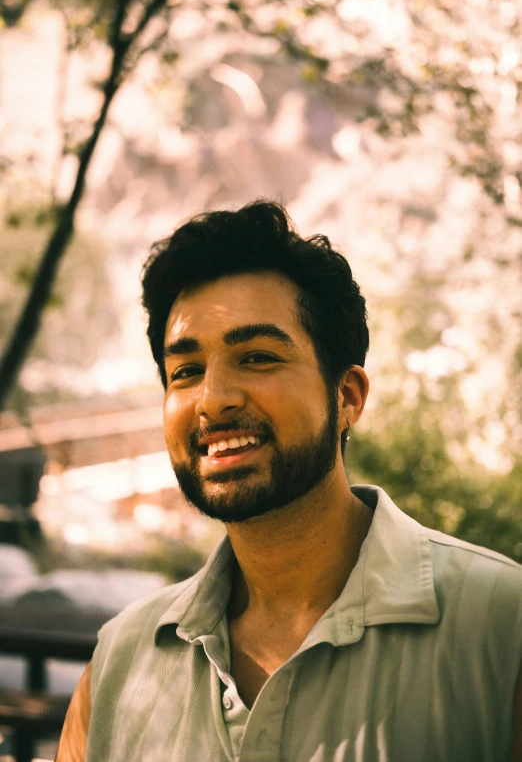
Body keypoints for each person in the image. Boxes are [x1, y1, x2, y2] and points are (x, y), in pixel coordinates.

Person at [56, 200, 522, 762]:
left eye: (256, 357)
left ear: (347, 397)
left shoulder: (500, 629)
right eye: (186, 371)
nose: (213, 399)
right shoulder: (118, 666)